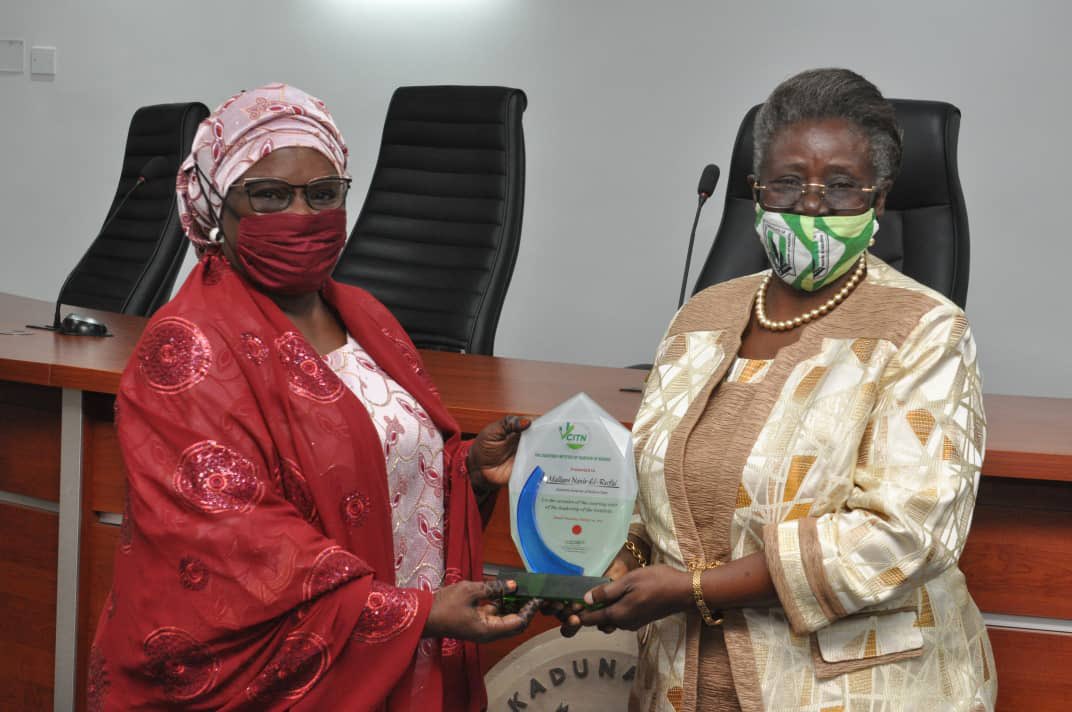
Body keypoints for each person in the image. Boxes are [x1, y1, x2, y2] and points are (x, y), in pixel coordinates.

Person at [88, 83, 536, 711]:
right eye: (270, 195)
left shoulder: (365, 314)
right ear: (220, 205)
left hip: (405, 658)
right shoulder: (186, 348)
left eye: (324, 194)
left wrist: (467, 471)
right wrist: (413, 613)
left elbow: (381, 458)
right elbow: (237, 543)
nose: (303, 214)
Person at [561, 69, 997, 711]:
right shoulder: (701, 318)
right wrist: (622, 556)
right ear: (756, 192)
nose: (812, 204)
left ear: (879, 200)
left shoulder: (927, 329)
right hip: (685, 682)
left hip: (854, 690)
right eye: (788, 182)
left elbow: (904, 534)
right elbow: (655, 488)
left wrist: (693, 588)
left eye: (842, 185)